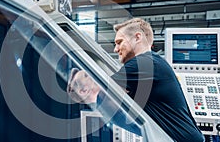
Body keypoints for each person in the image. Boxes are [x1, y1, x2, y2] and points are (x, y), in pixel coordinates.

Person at [67, 18, 205, 142]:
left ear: (137, 37)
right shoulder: (150, 64)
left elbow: (103, 87)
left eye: (119, 42)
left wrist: (80, 84)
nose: (116, 49)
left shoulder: (144, 63)